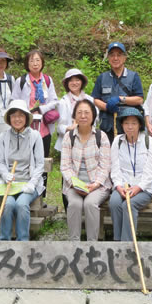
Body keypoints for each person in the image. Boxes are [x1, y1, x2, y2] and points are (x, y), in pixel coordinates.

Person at [60, 99, 112, 241]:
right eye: (79, 113)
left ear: (93, 116)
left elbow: (105, 165)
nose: (83, 116)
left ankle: (92, 244)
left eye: (87, 113)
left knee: (90, 203)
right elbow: (65, 166)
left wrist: (95, 184)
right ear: (74, 116)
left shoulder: (101, 137)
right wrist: (75, 184)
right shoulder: (68, 137)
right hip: (74, 184)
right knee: (75, 204)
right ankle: (74, 243)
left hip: (98, 185)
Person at [12, 49, 59, 197]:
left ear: (42, 62)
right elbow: (14, 101)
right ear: (27, 63)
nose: (35, 63)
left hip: (43, 128)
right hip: (26, 128)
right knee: (26, 160)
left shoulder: (47, 80)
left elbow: (55, 101)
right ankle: (25, 193)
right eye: (32, 60)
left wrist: (41, 109)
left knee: (42, 161)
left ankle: (41, 195)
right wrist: (27, 111)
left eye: (38, 60)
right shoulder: (21, 81)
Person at [0, 100, 45, 241]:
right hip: (10, 184)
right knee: (8, 205)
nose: (17, 119)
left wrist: (32, 183)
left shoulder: (35, 136)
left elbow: (40, 164)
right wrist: (5, 175)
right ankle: (4, 241)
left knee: (21, 204)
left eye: (20, 115)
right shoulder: (3, 137)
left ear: (26, 118)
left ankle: (22, 241)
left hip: (29, 184)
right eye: (13, 116)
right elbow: (0, 162)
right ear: (9, 118)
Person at [110, 106, 152, 242]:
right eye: (126, 123)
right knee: (114, 202)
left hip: (144, 187)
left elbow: (151, 172)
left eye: (134, 123)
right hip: (123, 184)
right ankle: (117, 241)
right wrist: (118, 186)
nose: (130, 127)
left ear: (140, 125)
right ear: (122, 125)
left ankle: (127, 243)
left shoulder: (150, 142)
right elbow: (115, 168)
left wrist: (137, 188)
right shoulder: (118, 141)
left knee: (128, 205)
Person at [91, 42, 144, 142]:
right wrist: (106, 107)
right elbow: (95, 99)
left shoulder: (133, 76)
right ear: (108, 58)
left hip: (128, 125)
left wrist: (121, 99)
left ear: (124, 58)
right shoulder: (102, 77)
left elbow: (139, 99)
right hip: (107, 126)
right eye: (112, 55)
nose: (115, 58)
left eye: (119, 55)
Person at [55, 68, 93, 153]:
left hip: (88, 141)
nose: (74, 83)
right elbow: (59, 126)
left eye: (77, 80)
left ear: (82, 82)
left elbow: (95, 120)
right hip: (69, 142)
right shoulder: (63, 102)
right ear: (67, 84)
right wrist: (69, 128)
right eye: (71, 81)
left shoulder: (90, 100)